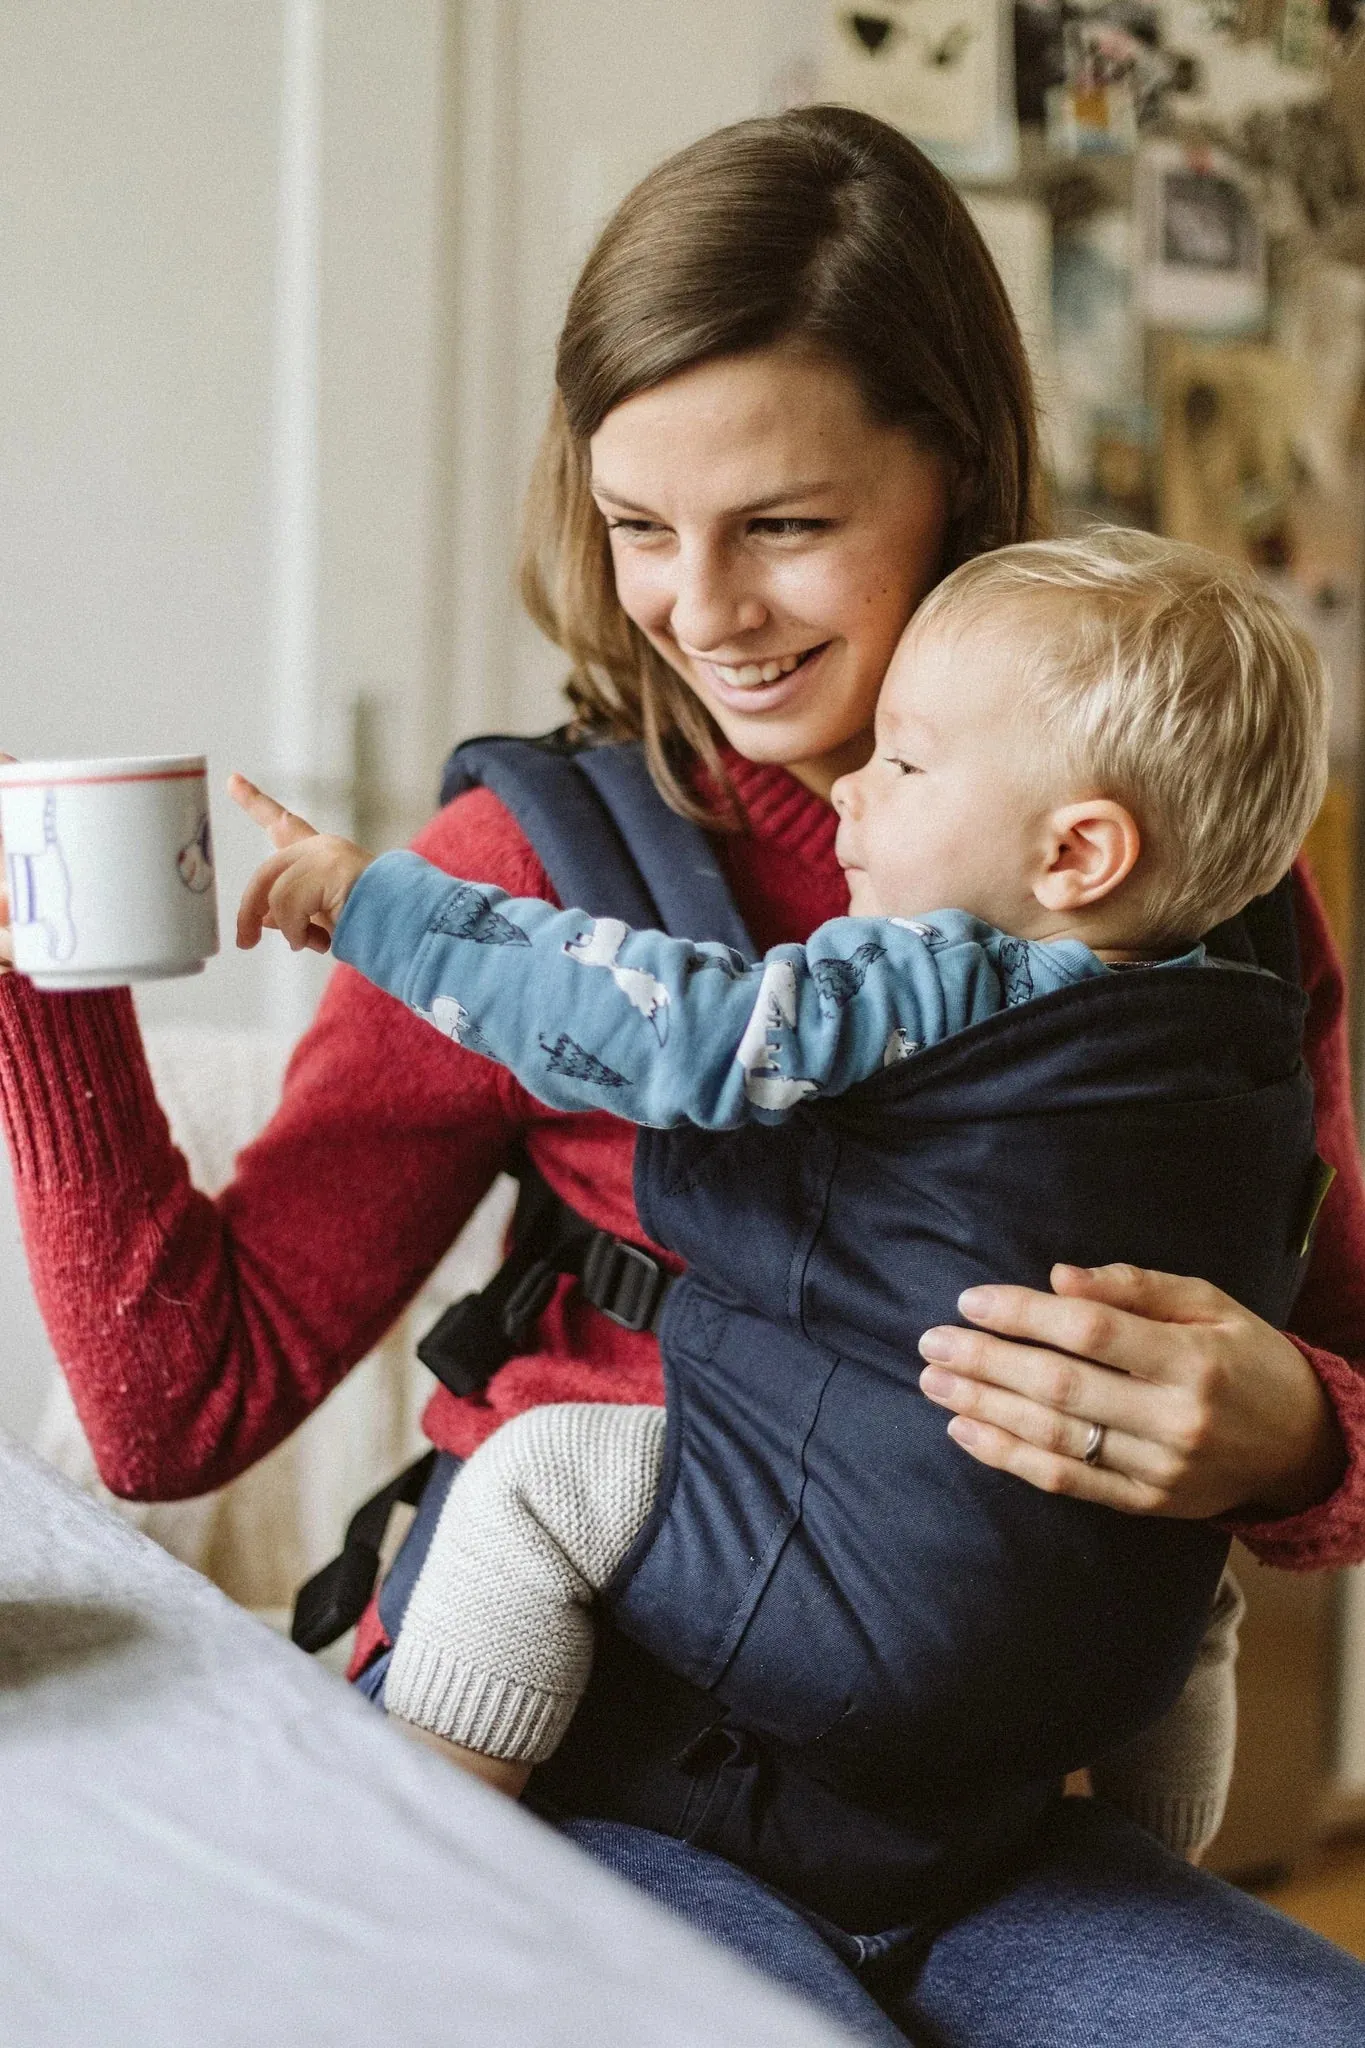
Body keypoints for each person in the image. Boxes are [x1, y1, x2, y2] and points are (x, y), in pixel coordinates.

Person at [3, 106, 1364, 2041]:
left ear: (956, 474)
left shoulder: (1191, 907)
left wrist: (1295, 1434)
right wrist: (31, 984)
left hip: (969, 1793)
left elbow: (1346, 1367)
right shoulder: (526, 881)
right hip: (592, 1748)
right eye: (643, 528)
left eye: (786, 526)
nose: (705, 612)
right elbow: (179, 1405)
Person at [228, 528, 1325, 1916]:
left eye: (906, 765)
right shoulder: (1242, 1030)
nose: (851, 794)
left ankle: (412, 1896)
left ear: (1077, 852)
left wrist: (379, 908)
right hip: (1096, 1655)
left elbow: (673, 1025)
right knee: (1187, 1599)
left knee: (537, 1479)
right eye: (641, 525)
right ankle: (1159, 1881)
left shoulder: (936, 981)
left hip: (870, 1602)